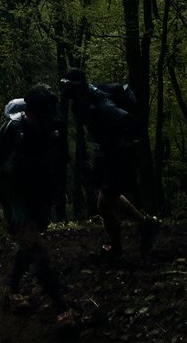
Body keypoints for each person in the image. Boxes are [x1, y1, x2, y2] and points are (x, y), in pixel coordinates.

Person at [0, 83, 75, 326]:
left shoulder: (54, 129)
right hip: (15, 197)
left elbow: (61, 162)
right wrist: (12, 208)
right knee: (38, 251)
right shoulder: (11, 132)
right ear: (30, 113)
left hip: (40, 195)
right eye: (43, 116)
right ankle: (62, 309)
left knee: (30, 245)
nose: (47, 121)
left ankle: (11, 288)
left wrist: (57, 193)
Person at [61, 68, 157, 263]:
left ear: (76, 87)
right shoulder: (82, 101)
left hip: (116, 155)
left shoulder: (99, 101)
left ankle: (118, 246)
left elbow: (126, 119)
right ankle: (144, 223)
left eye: (67, 87)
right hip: (106, 154)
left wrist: (126, 141)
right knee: (107, 195)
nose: (65, 92)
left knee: (103, 205)